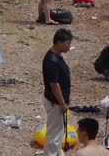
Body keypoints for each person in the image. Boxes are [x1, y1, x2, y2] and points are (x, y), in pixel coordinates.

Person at [43, 28, 73, 156]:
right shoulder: (52, 61)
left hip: (58, 101)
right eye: (67, 43)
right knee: (53, 134)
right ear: (59, 42)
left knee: (58, 132)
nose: (69, 46)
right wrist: (62, 103)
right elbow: (54, 85)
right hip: (55, 102)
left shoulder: (57, 57)